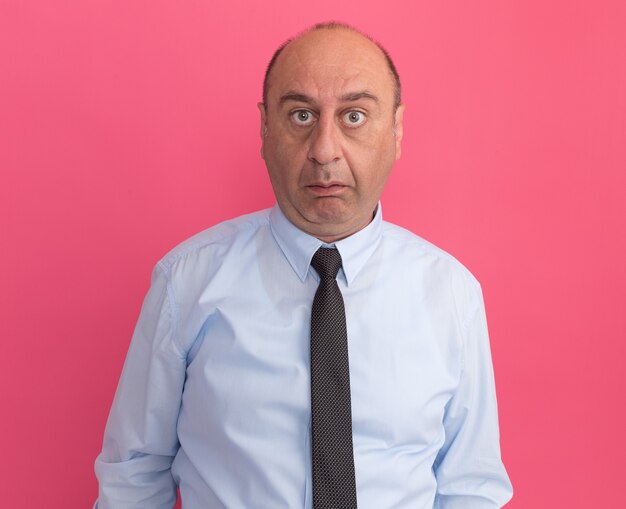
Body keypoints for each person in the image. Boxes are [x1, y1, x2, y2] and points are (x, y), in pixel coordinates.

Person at [95, 22, 513, 509]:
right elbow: (134, 476)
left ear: (396, 130)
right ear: (265, 127)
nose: (324, 149)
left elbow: (470, 486)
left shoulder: (451, 294)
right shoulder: (186, 282)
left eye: (354, 116)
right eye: (300, 115)